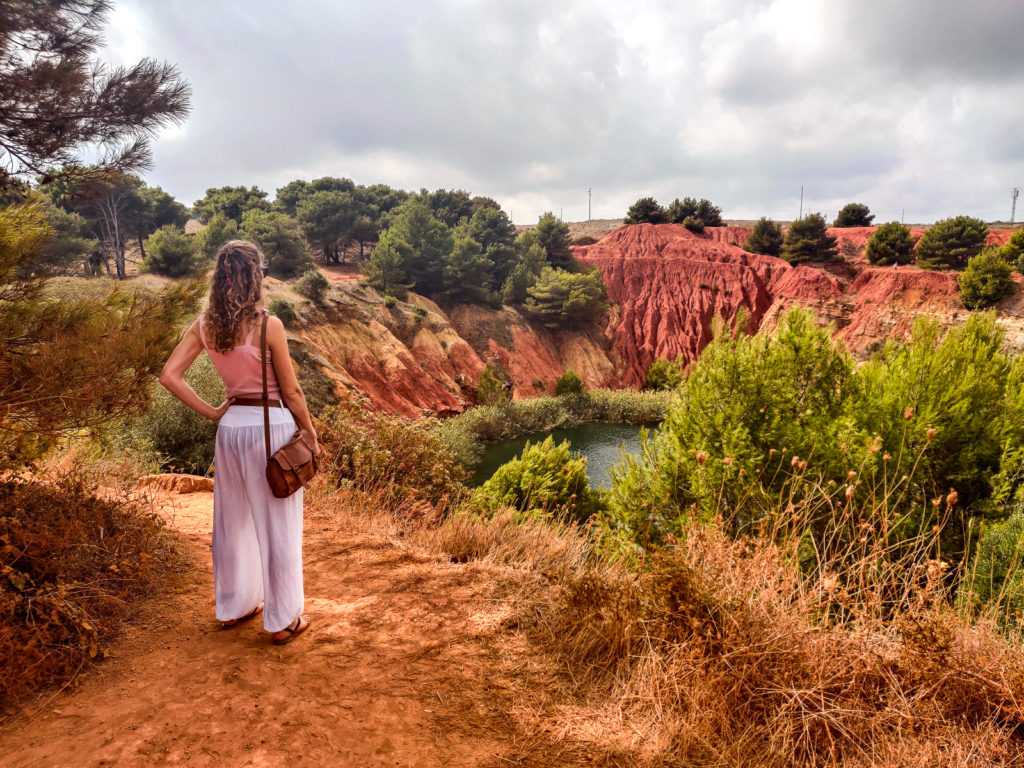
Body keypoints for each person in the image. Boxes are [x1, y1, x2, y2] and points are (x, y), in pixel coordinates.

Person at [159, 240, 315, 645]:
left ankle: (234, 607)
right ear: (255, 276)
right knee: (278, 524)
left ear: (220, 277)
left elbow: (169, 376)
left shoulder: (204, 325)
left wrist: (213, 412)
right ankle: (282, 620)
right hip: (271, 427)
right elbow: (292, 391)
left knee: (232, 521)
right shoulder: (269, 325)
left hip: (231, 430)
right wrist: (310, 432)